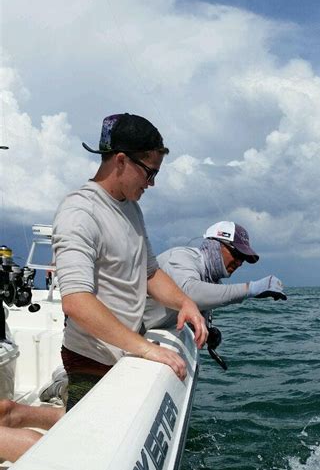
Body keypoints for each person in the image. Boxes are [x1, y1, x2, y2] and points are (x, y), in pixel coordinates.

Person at [52, 113, 208, 410]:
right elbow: (76, 301)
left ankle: (18, 414)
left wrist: (185, 302)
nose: (152, 184)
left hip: (125, 349)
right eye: (150, 173)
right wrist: (145, 349)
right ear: (121, 161)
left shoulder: (131, 209)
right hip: (90, 358)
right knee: (88, 442)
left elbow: (150, 273)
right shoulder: (80, 213)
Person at [143, 220, 287, 333]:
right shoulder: (182, 257)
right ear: (215, 245)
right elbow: (187, 294)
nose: (239, 263)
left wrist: (208, 331)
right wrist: (251, 289)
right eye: (236, 254)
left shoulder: (211, 280)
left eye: (243, 259)